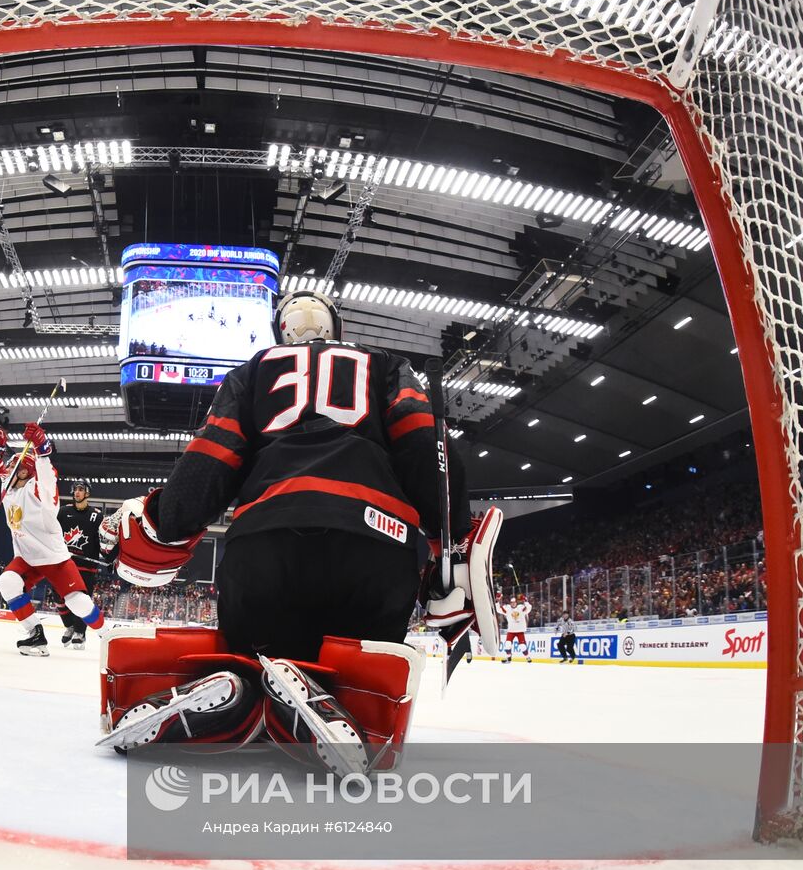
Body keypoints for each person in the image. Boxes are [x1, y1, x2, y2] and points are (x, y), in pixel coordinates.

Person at [97, 290, 503, 776]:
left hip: (265, 545)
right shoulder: (384, 364)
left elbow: (210, 460)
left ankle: (236, 691)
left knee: (251, 654)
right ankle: (330, 704)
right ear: (338, 327)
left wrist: (164, 520)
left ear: (279, 332)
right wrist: (449, 537)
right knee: (355, 671)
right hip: (376, 545)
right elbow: (424, 446)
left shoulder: (255, 370)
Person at [0, 423, 105, 656]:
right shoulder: (9, 488)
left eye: (15, 466)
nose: (8, 471)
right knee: (8, 582)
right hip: (27, 558)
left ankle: (109, 635)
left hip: (54, 557)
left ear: (24, 471)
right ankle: (35, 635)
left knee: (77, 603)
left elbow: (47, 476)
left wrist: (42, 450)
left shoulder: (38, 490)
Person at [55, 479, 108, 649]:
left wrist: (108, 557)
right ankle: (70, 627)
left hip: (86, 567)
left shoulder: (96, 516)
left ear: (87, 493)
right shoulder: (63, 512)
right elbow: (54, 534)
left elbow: (101, 542)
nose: (77, 492)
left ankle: (80, 633)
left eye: (80, 489)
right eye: (75, 489)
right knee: (58, 598)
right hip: (64, 564)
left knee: (82, 601)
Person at [500, 593, 534, 662]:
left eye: (514, 602)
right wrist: (498, 600)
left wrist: (525, 601)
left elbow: (529, 608)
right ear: (510, 603)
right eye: (511, 602)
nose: (513, 604)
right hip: (511, 631)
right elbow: (499, 609)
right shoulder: (507, 608)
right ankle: (508, 657)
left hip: (520, 631)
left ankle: (527, 656)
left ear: (516, 602)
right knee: (507, 644)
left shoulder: (521, 608)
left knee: (522, 646)